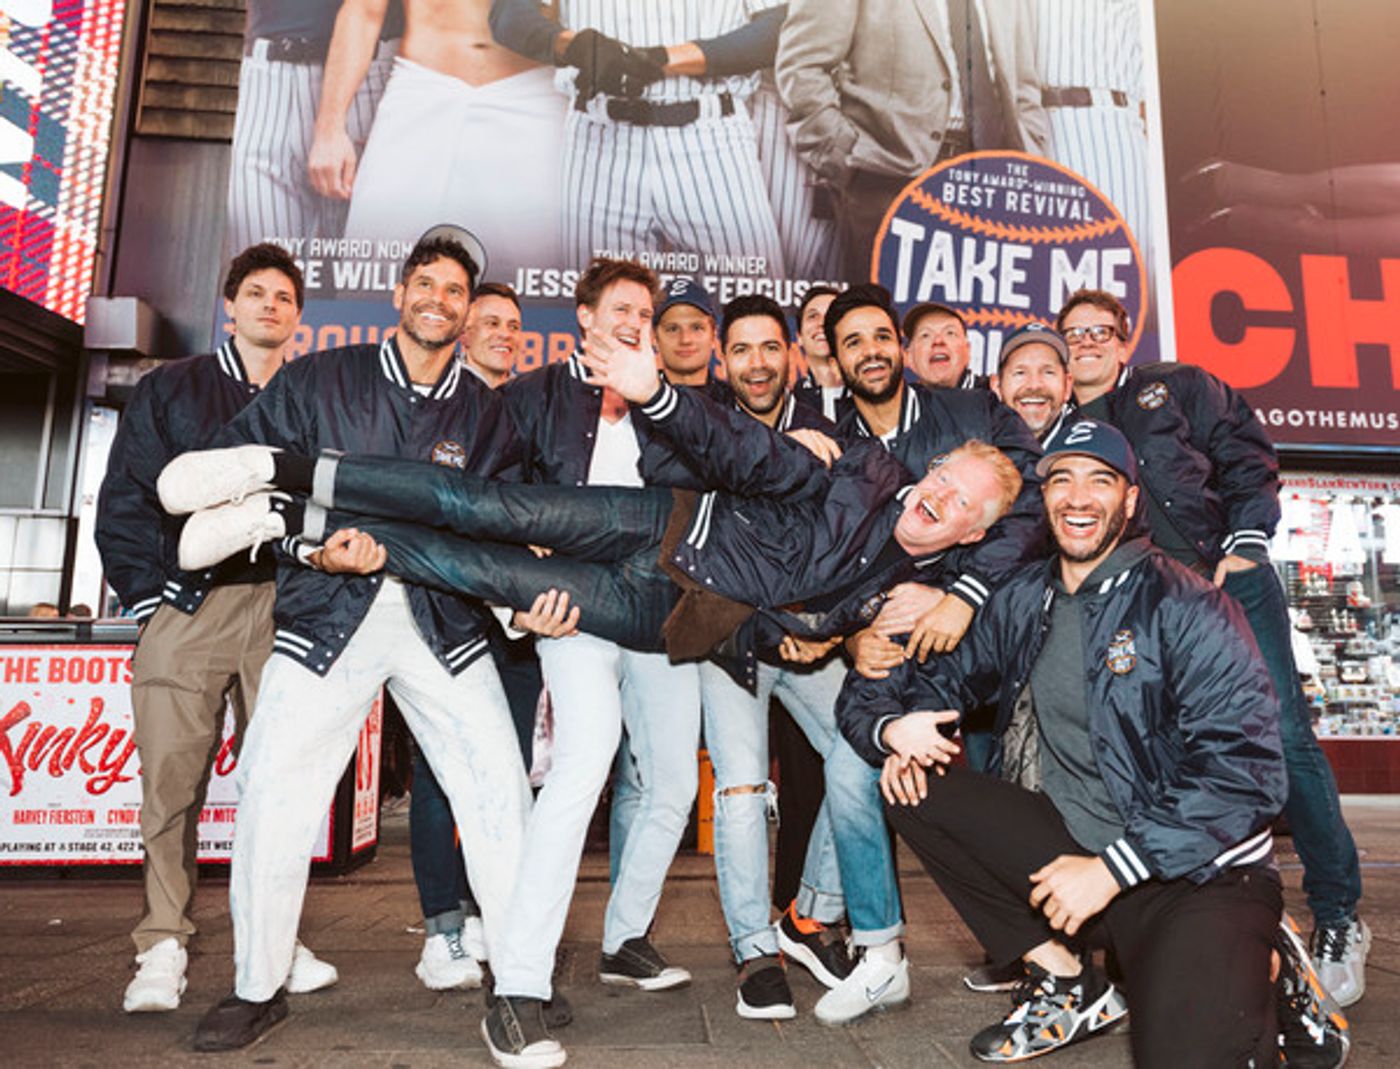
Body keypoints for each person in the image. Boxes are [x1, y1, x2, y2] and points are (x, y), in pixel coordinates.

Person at [167, 231, 534, 1052]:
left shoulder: (485, 413)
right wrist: (313, 549)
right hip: (330, 610)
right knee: (272, 790)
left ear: (469, 310)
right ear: (398, 294)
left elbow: (505, 526)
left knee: (500, 791)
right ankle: (256, 984)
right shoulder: (320, 379)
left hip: (442, 620)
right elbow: (241, 487)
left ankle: (518, 983)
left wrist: (522, 593)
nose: (439, 299)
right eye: (425, 283)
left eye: (455, 290)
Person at [837, 420, 1290, 1065]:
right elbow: (891, 680)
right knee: (910, 785)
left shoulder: (1189, 605)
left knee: (1178, 1053)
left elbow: (1248, 776)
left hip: (1195, 874)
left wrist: (1114, 869)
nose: (1078, 497)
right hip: (1074, 854)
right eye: (1062, 480)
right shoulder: (1026, 598)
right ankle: (1067, 982)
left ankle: (1267, 961)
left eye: (1099, 481)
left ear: (1130, 499)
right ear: (1043, 497)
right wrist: (893, 730)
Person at [1056, 288, 1370, 1007]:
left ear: (1124, 339)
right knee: (1167, 761)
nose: (1087, 344)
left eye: (1100, 331)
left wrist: (1246, 540)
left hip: (1225, 580)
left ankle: (1339, 913)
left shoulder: (1180, 387)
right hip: (1146, 607)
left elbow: (1244, 452)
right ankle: (1203, 925)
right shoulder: (1067, 431)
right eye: (1073, 335)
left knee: (1283, 738)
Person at [94, 245, 338, 1014]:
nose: (270, 305)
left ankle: (275, 937)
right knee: (171, 782)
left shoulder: (316, 396)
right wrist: (147, 598)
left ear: (299, 317)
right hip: (189, 605)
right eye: (256, 293)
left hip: (286, 606)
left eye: (284, 296)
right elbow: (126, 497)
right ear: (228, 307)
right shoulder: (173, 387)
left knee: (282, 785)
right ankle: (162, 941)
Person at [488, 0, 788, 272]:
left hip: (711, 139)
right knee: (600, 309)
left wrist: (660, 59)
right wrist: (576, 46)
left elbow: (778, 26)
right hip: (599, 140)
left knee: (753, 299)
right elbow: (509, 14)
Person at [776, 0, 1049, 277]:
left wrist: (1033, 158)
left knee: (979, 316)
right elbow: (802, 68)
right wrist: (847, 158)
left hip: (993, 182)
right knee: (887, 311)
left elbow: (1022, 84)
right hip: (887, 176)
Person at [316, 0, 566, 281]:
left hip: (533, 97)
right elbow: (364, 12)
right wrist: (330, 128)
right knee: (377, 260)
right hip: (423, 85)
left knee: (530, 272)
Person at [228, 2, 400, 252]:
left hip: (363, 76)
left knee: (362, 274)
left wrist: (331, 125)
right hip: (265, 74)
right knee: (261, 269)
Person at [989, 323, 1073, 442]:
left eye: (1048, 372)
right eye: (1020, 373)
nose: (1034, 385)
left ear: (1068, 386)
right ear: (997, 386)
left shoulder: (1092, 448)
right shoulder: (977, 444)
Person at [790, 284, 846, 420]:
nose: (822, 323)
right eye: (813, 316)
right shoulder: (787, 404)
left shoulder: (872, 397)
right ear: (799, 338)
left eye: (832, 315)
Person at [902, 302, 986, 390]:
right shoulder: (900, 401)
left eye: (950, 333)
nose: (938, 341)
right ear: (910, 357)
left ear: (967, 351)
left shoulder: (994, 396)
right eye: (925, 335)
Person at [652, 276, 716, 387]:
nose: (685, 339)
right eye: (673, 329)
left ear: (713, 336)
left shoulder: (736, 401)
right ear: (654, 338)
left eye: (696, 328)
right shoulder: (631, 401)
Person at [460, 282, 526, 388]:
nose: (505, 334)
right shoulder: (435, 392)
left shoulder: (531, 397)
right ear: (464, 334)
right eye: (492, 324)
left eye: (513, 327)